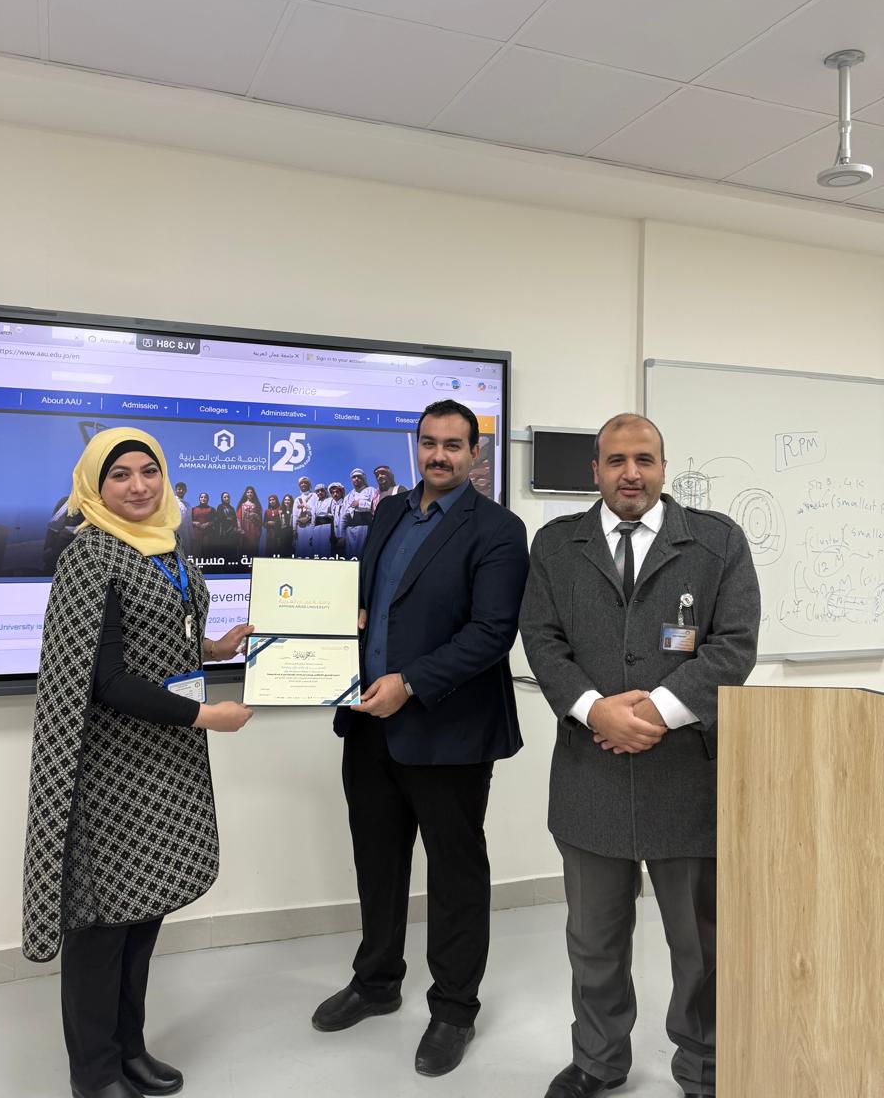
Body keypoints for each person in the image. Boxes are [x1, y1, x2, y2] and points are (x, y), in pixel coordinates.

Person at [519, 413, 761, 1098]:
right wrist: (594, 709)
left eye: (644, 460)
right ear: (595, 470)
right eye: (617, 460)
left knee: (701, 947)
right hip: (589, 776)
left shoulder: (717, 542)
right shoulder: (556, 545)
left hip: (688, 780)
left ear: (663, 467)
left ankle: (705, 1069)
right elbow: (541, 640)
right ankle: (598, 1061)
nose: (631, 473)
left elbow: (733, 646)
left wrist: (654, 712)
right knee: (594, 941)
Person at [21, 427, 253, 1098]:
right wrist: (206, 716)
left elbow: (159, 639)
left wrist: (214, 648)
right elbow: (106, 679)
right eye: (119, 474)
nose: (138, 486)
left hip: (165, 764)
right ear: (94, 486)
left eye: (148, 471)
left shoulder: (166, 545)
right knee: (102, 928)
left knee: (143, 916)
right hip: (111, 772)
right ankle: (94, 1073)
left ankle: (129, 1049)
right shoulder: (90, 555)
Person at [312, 400, 529, 1078]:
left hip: (449, 730)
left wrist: (409, 682)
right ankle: (377, 982)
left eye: (453, 445)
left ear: (474, 454)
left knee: (455, 872)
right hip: (368, 724)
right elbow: (373, 602)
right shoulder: (387, 512)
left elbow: (491, 633)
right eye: (429, 443)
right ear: (417, 446)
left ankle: (454, 1008)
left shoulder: (498, 529)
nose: (439, 455)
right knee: (377, 862)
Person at [343, 467, 377, 558]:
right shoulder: (348, 496)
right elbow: (344, 515)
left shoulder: (371, 490)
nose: (356, 479)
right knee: (350, 556)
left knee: (363, 554)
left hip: (364, 527)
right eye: (354, 477)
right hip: (349, 530)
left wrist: (360, 503)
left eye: (359, 477)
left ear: (363, 478)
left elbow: (376, 506)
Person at [236, 485, 263, 560]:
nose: (249, 494)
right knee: (243, 547)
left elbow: (260, 519)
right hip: (244, 528)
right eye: (248, 492)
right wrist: (239, 528)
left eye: (251, 492)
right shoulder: (242, 505)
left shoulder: (256, 505)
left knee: (253, 546)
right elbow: (238, 517)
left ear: (253, 494)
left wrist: (255, 515)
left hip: (253, 529)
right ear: (245, 494)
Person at [309, 482, 334, 558]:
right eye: (318, 491)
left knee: (325, 549)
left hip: (327, 527)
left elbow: (333, 514)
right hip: (316, 528)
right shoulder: (315, 503)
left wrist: (327, 514)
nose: (320, 492)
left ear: (325, 491)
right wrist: (311, 535)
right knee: (316, 550)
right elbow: (313, 519)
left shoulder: (331, 500)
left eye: (322, 490)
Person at [190, 491, 215, 556]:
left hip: (208, 534)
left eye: (205, 497)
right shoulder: (193, 509)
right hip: (196, 534)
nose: (203, 498)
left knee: (207, 553)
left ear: (208, 499)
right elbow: (189, 520)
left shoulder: (212, 509)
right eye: (201, 497)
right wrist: (194, 523)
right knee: (196, 553)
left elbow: (216, 520)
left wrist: (208, 523)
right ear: (199, 499)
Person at [172, 481, 192, 553]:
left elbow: (189, 522)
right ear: (175, 490)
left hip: (185, 535)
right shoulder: (172, 500)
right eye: (179, 489)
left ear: (185, 491)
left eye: (183, 489)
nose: (181, 491)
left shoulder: (187, 505)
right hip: (174, 532)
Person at [279, 494, 296, 559]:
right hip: (283, 536)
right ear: (283, 501)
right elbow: (278, 525)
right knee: (283, 553)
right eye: (285, 500)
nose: (287, 501)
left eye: (288, 500)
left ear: (291, 501)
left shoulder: (294, 511)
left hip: (292, 535)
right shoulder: (280, 511)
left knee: (292, 553)